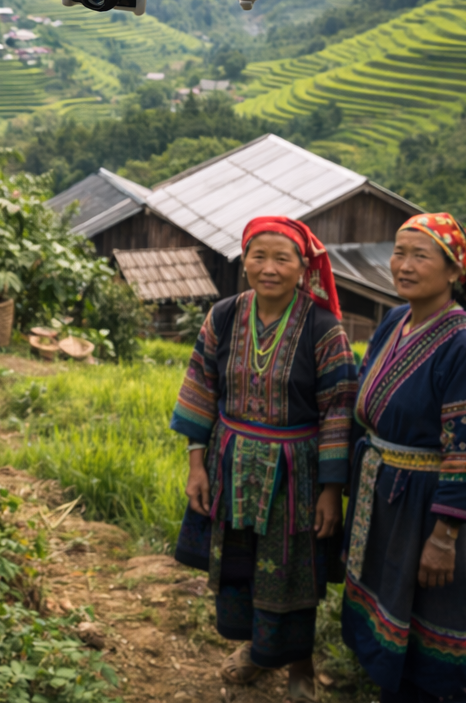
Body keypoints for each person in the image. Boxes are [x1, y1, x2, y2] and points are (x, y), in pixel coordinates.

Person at [171, 217, 358, 703]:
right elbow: (200, 388)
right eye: (259, 256)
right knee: (244, 563)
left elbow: (338, 409)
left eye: (283, 258)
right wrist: (196, 463)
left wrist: (331, 491)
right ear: (244, 260)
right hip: (230, 465)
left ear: (303, 267)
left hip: (294, 476)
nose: (268, 268)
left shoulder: (324, 328)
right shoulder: (225, 316)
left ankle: (301, 665)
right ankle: (257, 653)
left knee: (293, 571)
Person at [341, 213, 466, 703]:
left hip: (428, 511)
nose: (402, 266)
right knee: (390, 610)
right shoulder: (394, 321)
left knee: (435, 617)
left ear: (455, 271)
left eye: (420, 255)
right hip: (384, 496)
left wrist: (445, 536)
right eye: (398, 252)